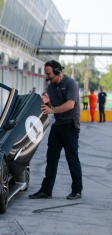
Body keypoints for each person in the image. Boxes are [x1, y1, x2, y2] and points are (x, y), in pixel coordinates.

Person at [29, 60, 82, 200]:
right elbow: (53, 105)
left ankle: (77, 190)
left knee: (72, 158)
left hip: (70, 125)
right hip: (58, 125)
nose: (46, 76)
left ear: (58, 71)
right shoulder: (51, 86)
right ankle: (46, 190)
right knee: (51, 158)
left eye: (48, 73)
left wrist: (51, 109)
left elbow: (70, 105)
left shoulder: (71, 84)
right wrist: (47, 102)